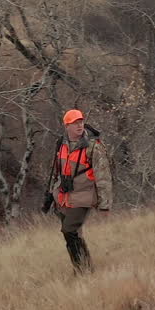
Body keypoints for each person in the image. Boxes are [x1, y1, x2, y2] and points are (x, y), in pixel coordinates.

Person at [44, 109, 112, 274]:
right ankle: (83, 268)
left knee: (69, 230)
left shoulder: (93, 147)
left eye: (81, 122)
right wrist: (52, 194)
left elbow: (103, 177)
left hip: (85, 195)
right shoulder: (61, 144)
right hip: (64, 197)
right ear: (67, 125)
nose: (79, 125)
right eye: (75, 123)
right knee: (72, 235)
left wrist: (104, 205)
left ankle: (84, 268)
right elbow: (56, 171)